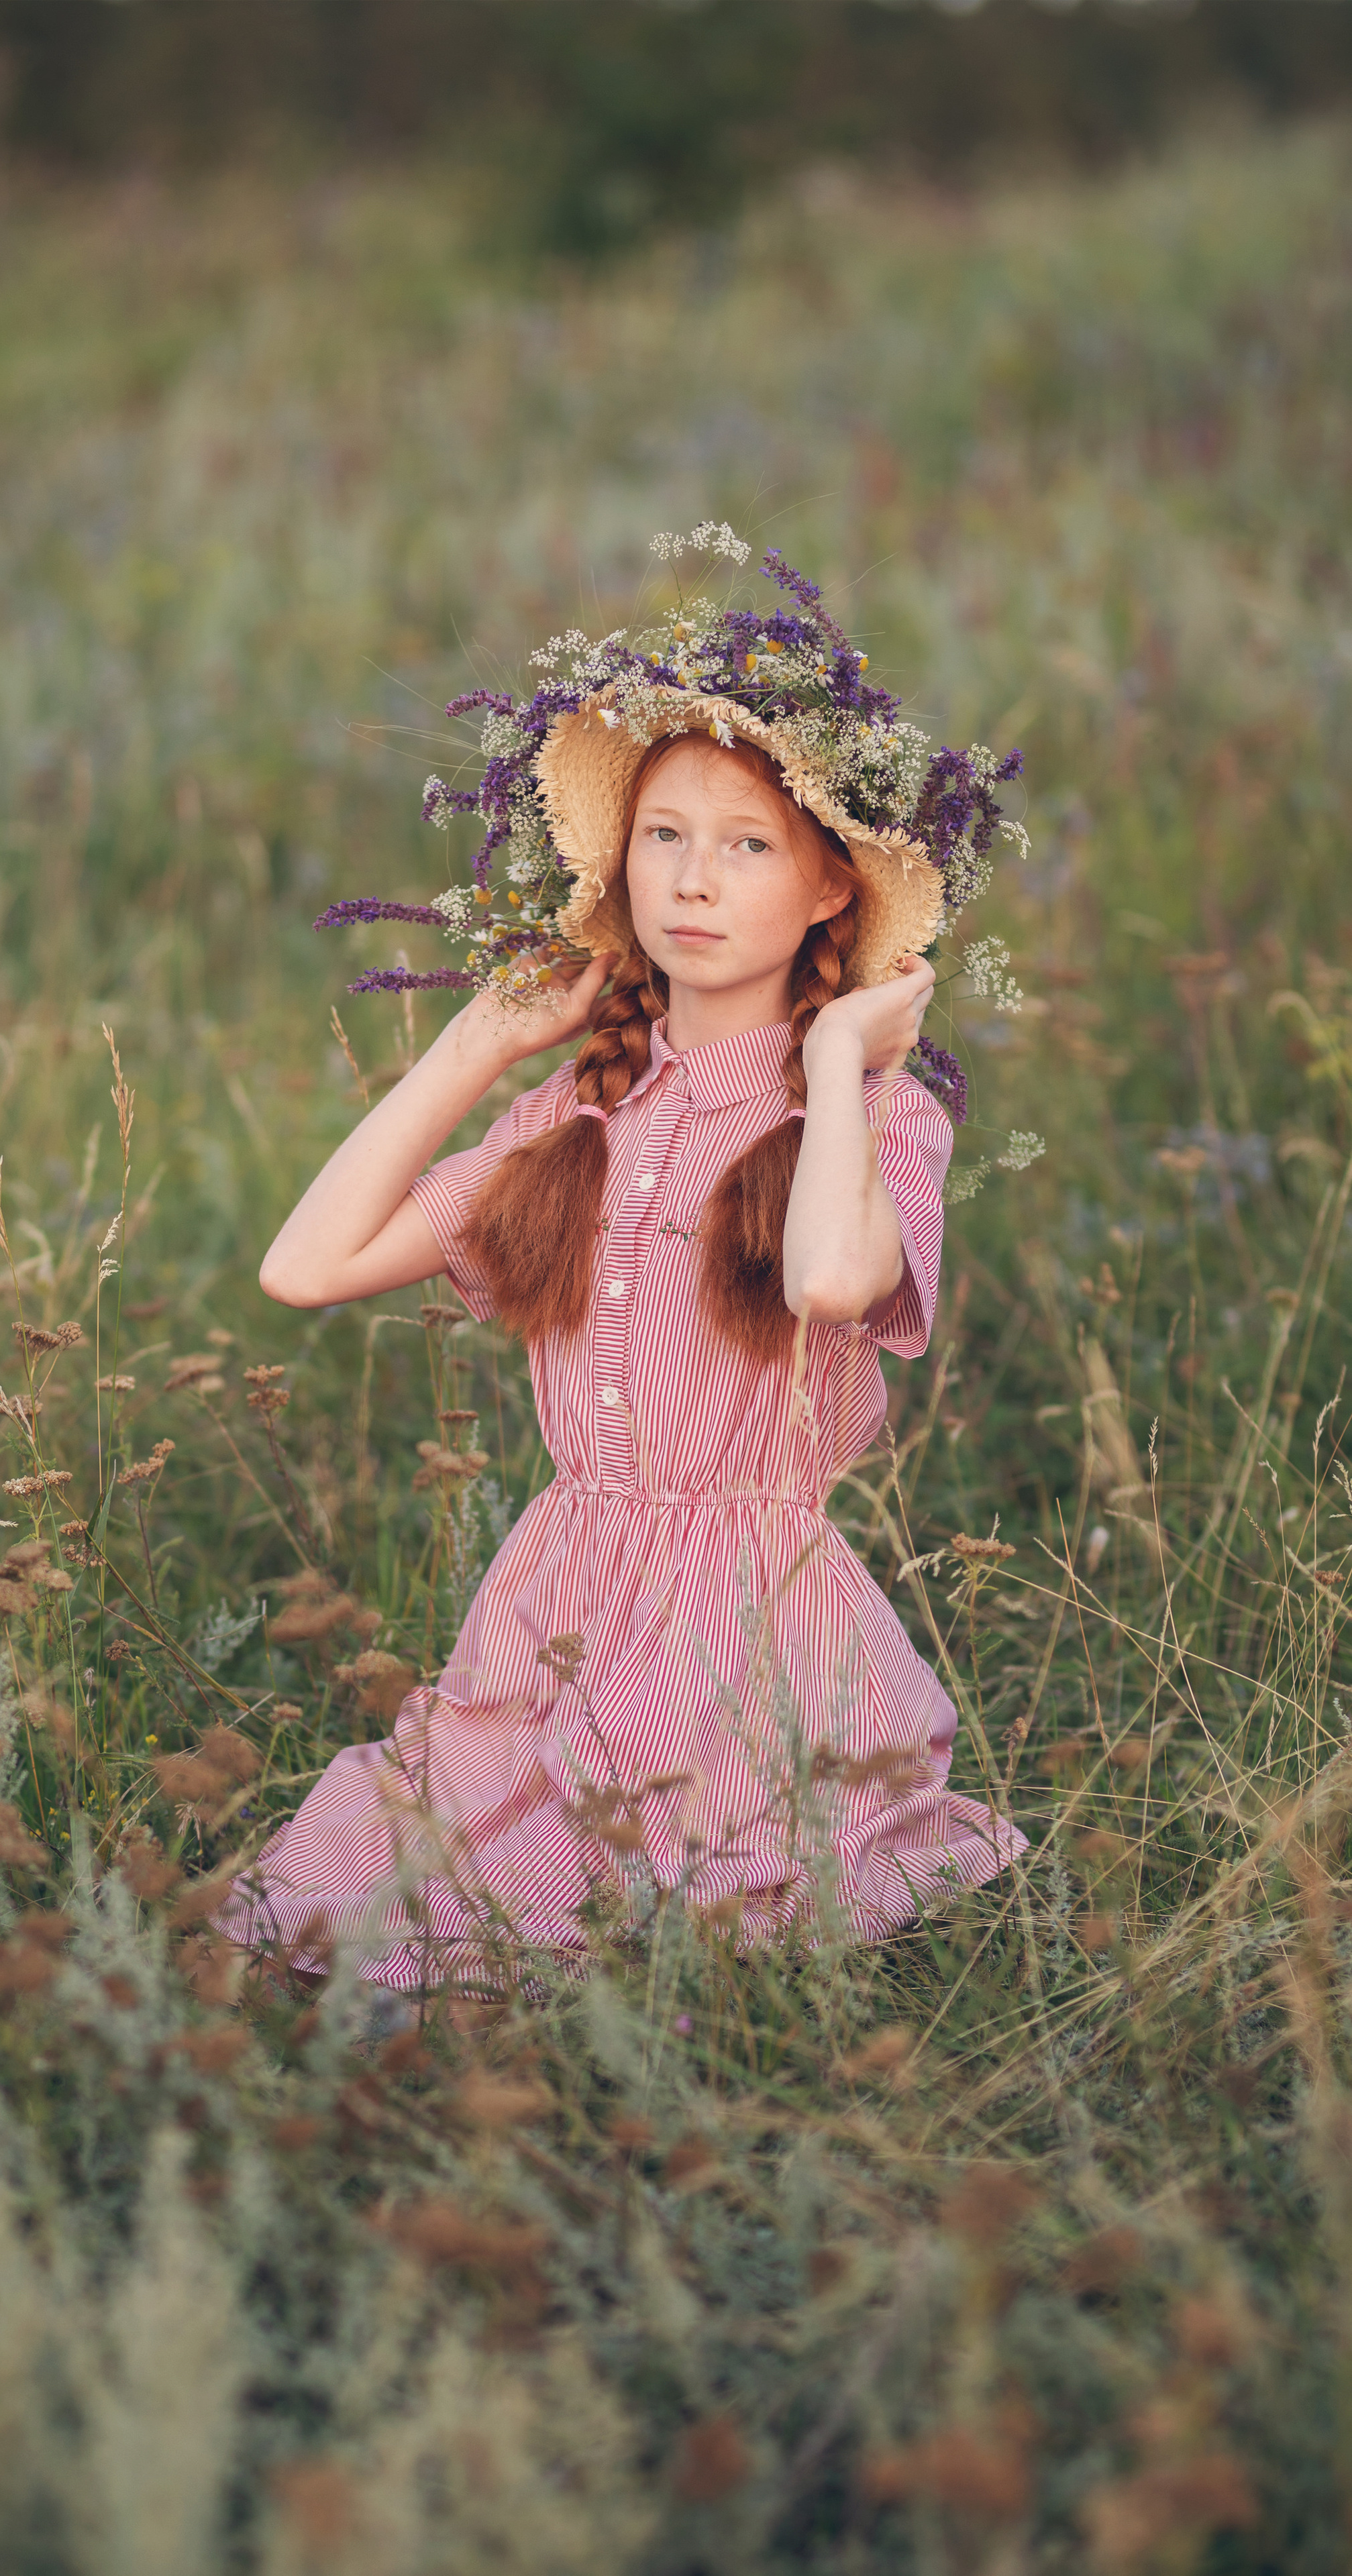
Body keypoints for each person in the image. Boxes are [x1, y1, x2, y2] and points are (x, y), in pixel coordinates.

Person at [223, 537, 1027, 1991]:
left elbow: (832, 1287)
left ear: (828, 890)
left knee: (695, 1929)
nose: (691, 881)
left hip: (754, 1631)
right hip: (556, 1610)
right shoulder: (576, 1112)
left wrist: (839, 1056)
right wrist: (476, 1048)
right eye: (662, 836)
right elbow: (305, 1266)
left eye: (743, 844)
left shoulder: (872, 1113)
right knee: (384, 1907)